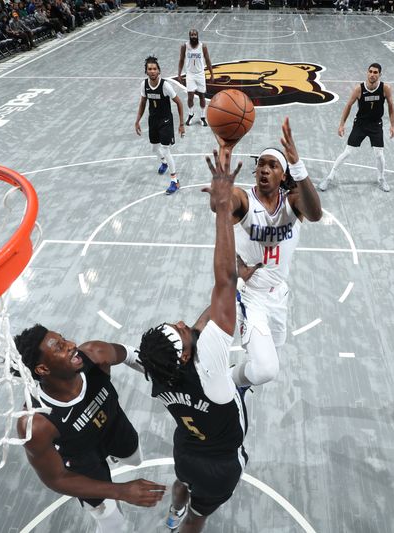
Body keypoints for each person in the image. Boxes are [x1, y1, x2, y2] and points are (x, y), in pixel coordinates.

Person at [136, 139, 247, 533]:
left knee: (182, 483)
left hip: (186, 447)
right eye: (182, 332)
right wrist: (222, 210)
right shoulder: (213, 369)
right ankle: (183, 521)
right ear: (185, 356)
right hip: (219, 462)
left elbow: (203, 325)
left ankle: (172, 512)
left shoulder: (158, 369)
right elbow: (225, 280)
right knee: (200, 516)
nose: (184, 323)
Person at [13, 325, 166, 532]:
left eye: (64, 339)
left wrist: (165, 377)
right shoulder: (36, 422)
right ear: (43, 369)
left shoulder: (95, 354)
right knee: (112, 521)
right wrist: (121, 491)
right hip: (82, 459)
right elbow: (56, 478)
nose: (72, 345)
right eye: (60, 347)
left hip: (115, 427)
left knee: (135, 459)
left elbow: (129, 354)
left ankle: (112, 456)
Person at [222, 118, 322, 390]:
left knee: (270, 358)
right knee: (266, 370)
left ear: (283, 175)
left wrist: (298, 166)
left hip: (279, 294)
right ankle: (225, 383)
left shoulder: (293, 203)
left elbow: (316, 213)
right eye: (260, 164)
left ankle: (239, 378)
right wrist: (223, 168)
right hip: (251, 294)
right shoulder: (244, 200)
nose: (264, 169)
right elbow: (223, 202)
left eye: (272, 165)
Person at [320, 63, 394, 192]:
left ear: (380, 74)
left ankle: (381, 178)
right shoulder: (359, 89)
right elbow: (348, 106)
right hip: (360, 124)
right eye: (370, 71)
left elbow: (391, 106)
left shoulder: (385, 88)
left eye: (375, 72)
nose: (372, 74)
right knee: (348, 152)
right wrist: (341, 124)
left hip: (376, 125)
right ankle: (330, 177)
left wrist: (393, 125)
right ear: (367, 72)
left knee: (379, 154)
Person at [134, 55, 185, 196]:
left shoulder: (165, 86)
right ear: (146, 71)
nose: (152, 71)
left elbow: (179, 103)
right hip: (153, 120)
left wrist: (181, 124)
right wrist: (137, 120)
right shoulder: (144, 85)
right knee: (154, 149)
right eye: (149, 69)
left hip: (166, 121)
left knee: (165, 149)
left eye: (154, 69)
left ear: (158, 71)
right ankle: (163, 162)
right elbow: (143, 103)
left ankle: (175, 181)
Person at [177, 29, 214, 127]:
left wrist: (212, 74)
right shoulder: (185, 46)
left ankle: (202, 117)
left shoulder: (203, 46)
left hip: (200, 74)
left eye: (195, 34)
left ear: (197, 36)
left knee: (202, 96)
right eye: (192, 34)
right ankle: (190, 114)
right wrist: (179, 74)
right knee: (190, 97)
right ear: (189, 36)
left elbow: (208, 60)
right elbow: (181, 60)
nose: (193, 36)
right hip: (190, 74)